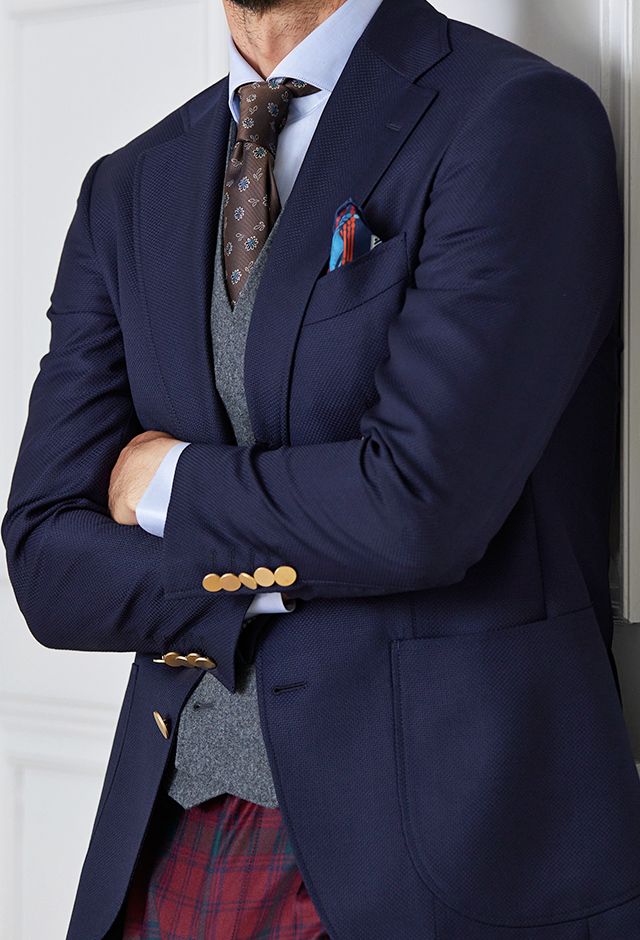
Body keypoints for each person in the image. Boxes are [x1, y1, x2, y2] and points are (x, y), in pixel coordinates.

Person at [4, 0, 640, 936]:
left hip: (440, 850)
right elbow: (48, 560)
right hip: (171, 832)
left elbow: (416, 508)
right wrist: (300, 556)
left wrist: (167, 481)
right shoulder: (129, 185)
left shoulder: (515, 119)